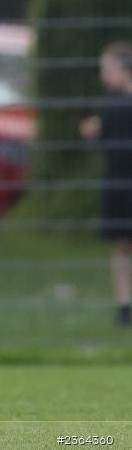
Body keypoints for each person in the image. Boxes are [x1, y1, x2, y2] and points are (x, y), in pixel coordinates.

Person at [80, 41, 132, 326]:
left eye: (108, 68)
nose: (104, 75)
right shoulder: (108, 103)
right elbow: (107, 139)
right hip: (116, 181)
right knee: (120, 245)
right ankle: (124, 307)